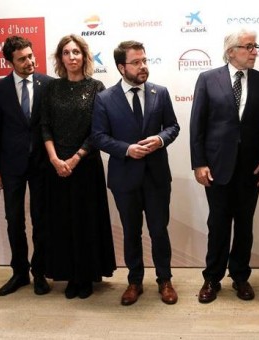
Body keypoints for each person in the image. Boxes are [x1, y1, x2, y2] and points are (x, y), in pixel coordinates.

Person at [92, 40, 180, 306]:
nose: (143, 66)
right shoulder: (104, 98)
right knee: (130, 232)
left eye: (144, 60)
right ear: (121, 67)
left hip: (156, 178)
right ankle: (134, 281)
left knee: (159, 231)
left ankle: (165, 280)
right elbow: (98, 137)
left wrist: (160, 140)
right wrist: (126, 149)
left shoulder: (160, 93)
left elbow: (173, 126)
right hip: (124, 178)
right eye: (136, 62)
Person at [189, 28, 259, 303]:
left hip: (251, 168)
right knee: (218, 224)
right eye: (248, 47)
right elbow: (197, 125)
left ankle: (240, 276)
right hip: (216, 167)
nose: (254, 51)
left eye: (255, 46)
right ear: (231, 51)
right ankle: (212, 278)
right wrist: (199, 163)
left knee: (245, 225)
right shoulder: (207, 79)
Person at [40, 34, 116, 299]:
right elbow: (44, 125)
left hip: (85, 166)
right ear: (60, 58)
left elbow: (99, 130)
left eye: (76, 52)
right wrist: (55, 160)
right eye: (66, 53)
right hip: (57, 168)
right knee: (62, 222)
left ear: (84, 56)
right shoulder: (51, 88)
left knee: (86, 222)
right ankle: (70, 275)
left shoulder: (97, 87)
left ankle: (86, 276)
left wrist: (74, 159)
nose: (71, 57)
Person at [0, 35, 54, 296]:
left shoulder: (48, 85)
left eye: (31, 55)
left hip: (41, 165)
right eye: (23, 58)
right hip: (10, 166)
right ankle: (19, 273)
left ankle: (40, 273)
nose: (30, 61)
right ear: (10, 61)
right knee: (14, 220)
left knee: (41, 220)